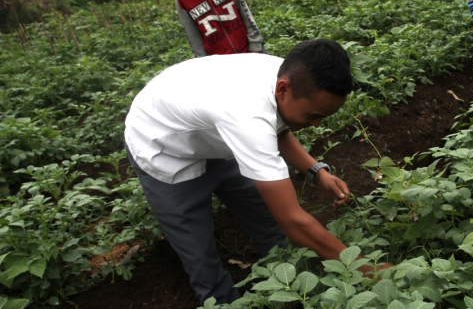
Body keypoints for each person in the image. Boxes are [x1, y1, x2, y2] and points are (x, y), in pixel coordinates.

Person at [124, 39, 392, 305]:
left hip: (212, 131)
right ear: (283, 89)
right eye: (312, 115)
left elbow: (277, 125)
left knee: (268, 224)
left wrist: (316, 170)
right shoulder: (247, 117)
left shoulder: (287, 75)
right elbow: (293, 220)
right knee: (201, 258)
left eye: (323, 117)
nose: (316, 124)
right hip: (163, 147)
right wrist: (366, 269)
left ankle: (292, 289)